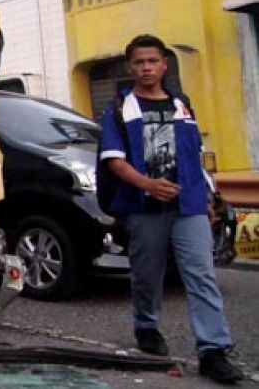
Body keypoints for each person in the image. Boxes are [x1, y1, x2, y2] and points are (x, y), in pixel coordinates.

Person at [99, 34, 244, 384]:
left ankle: (213, 350)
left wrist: (208, 199)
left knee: (202, 275)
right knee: (148, 275)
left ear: (165, 64)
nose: (147, 68)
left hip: (189, 205)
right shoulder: (119, 109)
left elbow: (194, 156)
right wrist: (148, 184)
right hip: (143, 205)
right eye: (139, 62)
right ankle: (146, 325)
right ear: (130, 67)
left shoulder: (182, 105)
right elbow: (114, 161)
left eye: (153, 61)